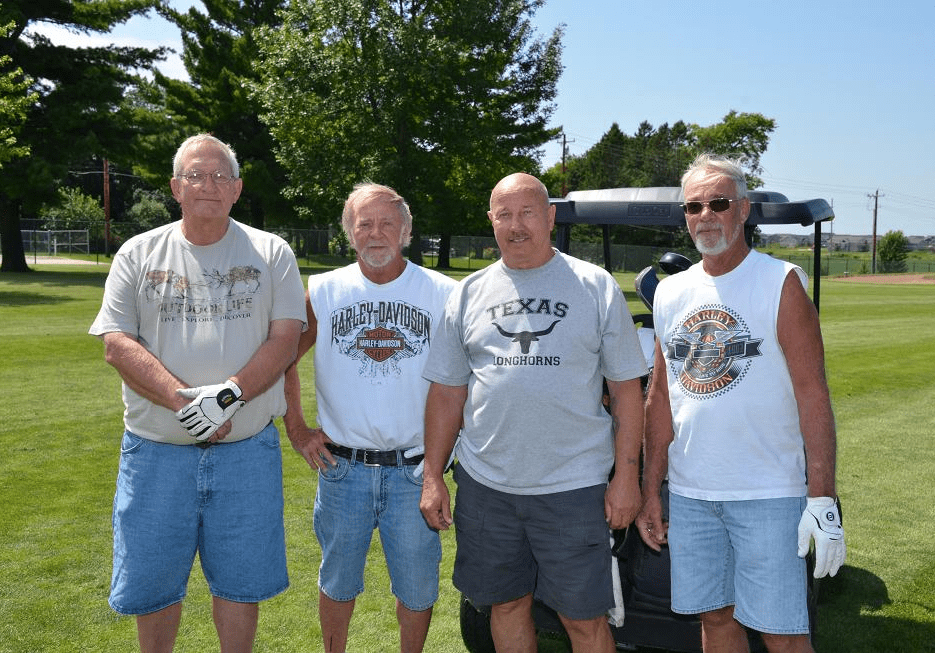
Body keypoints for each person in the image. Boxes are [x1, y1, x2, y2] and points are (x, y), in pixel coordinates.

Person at [89, 134, 306, 653]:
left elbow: (285, 339)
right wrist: (185, 402)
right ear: (175, 188)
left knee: (239, 585)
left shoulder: (271, 252)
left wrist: (225, 398)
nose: (207, 185)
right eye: (194, 175)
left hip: (245, 454)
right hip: (156, 454)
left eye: (219, 177)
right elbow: (117, 344)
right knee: (155, 586)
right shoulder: (137, 253)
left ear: (236, 190)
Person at [420, 172, 648, 653]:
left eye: (527, 212)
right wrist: (432, 476)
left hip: (573, 487)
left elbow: (627, 392)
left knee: (584, 619)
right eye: (504, 214)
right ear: (491, 221)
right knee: (505, 606)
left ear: (549, 217)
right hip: (486, 487)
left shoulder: (595, 286)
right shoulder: (467, 294)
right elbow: (446, 392)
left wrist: (627, 478)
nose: (516, 225)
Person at [635, 153, 846, 653]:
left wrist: (823, 498)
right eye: (693, 207)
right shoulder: (669, 294)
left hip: (768, 493)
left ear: (743, 209)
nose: (704, 216)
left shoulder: (781, 283)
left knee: (784, 635)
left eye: (718, 203)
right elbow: (660, 397)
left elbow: (813, 393)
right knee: (714, 619)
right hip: (690, 494)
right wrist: (651, 489)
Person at [282, 183, 456, 653]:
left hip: (416, 471)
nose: (375, 233)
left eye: (386, 223)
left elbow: (462, 382)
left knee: (417, 589)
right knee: (337, 583)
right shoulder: (322, 290)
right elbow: (281, 359)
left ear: (406, 231)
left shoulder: (444, 293)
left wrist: (439, 468)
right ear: (350, 233)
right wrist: (296, 429)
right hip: (342, 470)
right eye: (364, 223)